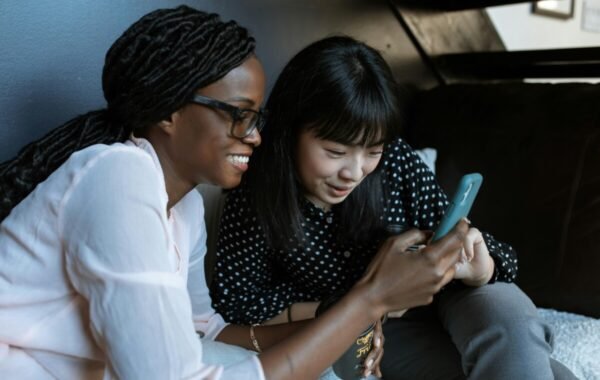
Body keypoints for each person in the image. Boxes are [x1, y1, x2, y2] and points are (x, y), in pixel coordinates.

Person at [0, 6, 471, 380]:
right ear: (169, 111)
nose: (256, 136)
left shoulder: (181, 207)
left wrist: (343, 329)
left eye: (257, 118)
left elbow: (207, 332)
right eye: (239, 115)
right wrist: (367, 301)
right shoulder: (117, 177)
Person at [211, 36, 578, 379]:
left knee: (508, 319)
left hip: (451, 295)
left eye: (372, 151)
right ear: (291, 130)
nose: (354, 173)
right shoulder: (255, 196)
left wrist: (481, 268)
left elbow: (501, 260)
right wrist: (358, 302)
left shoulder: (395, 162)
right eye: (335, 152)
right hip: (370, 325)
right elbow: (240, 307)